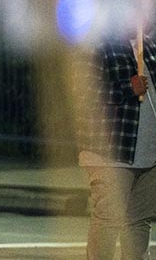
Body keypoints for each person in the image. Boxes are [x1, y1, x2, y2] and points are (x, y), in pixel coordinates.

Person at [80, 30, 156, 259]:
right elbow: (85, 98)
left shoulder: (150, 49)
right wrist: (127, 89)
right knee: (108, 221)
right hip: (111, 155)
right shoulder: (97, 46)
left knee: (139, 222)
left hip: (150, 156)